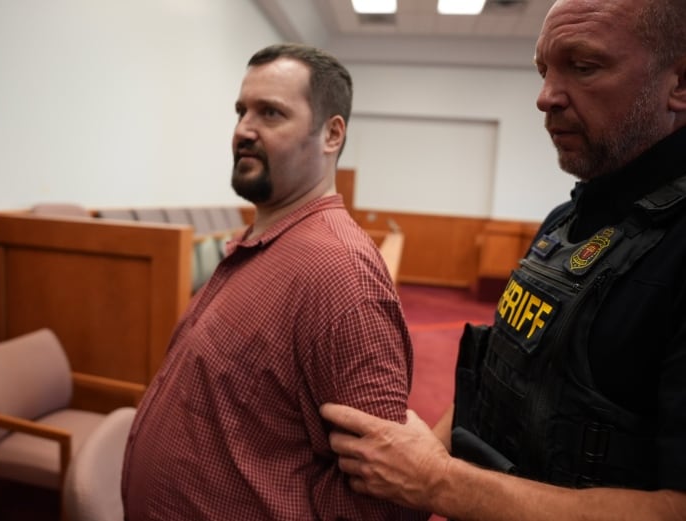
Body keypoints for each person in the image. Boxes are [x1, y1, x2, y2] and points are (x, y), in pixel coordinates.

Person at [320, 0, 686, 519]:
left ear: (680, 83)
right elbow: (500, 374)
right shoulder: (566, 221)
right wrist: (426, 455)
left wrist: (439, 482)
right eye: (543, 70)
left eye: (583, 66)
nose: (545, 98)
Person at [121, 43, 427, 520]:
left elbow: (384, 497)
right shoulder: (262, 239)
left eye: (270, 113)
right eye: (241, 111)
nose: (243, 129)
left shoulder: (340, 273)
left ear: (331, 134)